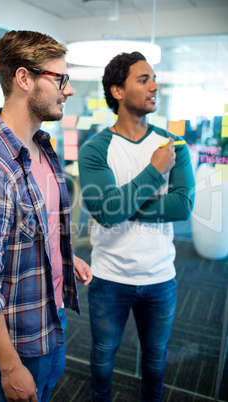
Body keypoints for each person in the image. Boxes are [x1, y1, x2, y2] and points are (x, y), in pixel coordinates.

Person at [0, 30, 92, 402]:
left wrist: (65, 258)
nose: (67, 90)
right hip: (21, 336)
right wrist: (10, 367)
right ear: (24, 78)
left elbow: (35, 228)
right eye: (60, 79)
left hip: (51, 313)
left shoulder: (41, 147)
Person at [78, 51, 195, 401]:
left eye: (154, 78)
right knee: (103, 354)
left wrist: (119, 205)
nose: (154, 86)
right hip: (109, 277)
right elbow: (104, 210)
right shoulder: (96, 148)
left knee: (156, 358)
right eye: (143, 79)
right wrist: (155, 171)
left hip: (160, 276)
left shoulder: (173, 145)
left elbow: (183, 206)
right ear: (117, 91)